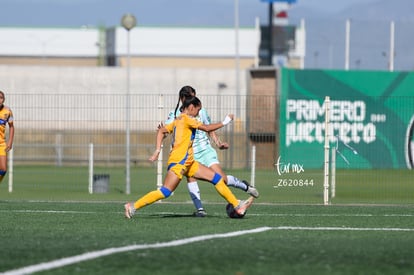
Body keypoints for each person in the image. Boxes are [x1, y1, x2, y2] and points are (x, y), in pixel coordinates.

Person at [124, 96, 253, 219]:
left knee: (217, 179)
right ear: (191, 107)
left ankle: (237, 204)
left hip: (190, 162)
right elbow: (207, 128)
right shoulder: (187, 119)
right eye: (198, 110)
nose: (198, 113)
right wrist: (225, 122)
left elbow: (161, 131)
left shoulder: (178, 119)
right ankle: (132, 206)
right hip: (179, 162)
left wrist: (157, 151)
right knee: (165, 192)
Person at [164, 86, 258, 217]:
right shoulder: (174, 115)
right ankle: (200, 210)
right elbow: (166, 128)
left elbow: (209, 128)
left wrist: (218, 143)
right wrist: (162, 132)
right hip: (189, 154)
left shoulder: (200, 111)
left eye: (195, 96)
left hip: (206, 150)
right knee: (191, 178)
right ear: (182, 99)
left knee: (222, 179)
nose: (194, 100)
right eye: (190, 97)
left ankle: (245, 186)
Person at [0, 91, 14, 185]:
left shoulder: (7, 111)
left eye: (1, 97)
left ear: (3, 99)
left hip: (1, 144)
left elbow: (11, 126)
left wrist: (10, 142)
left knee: (3, 169)